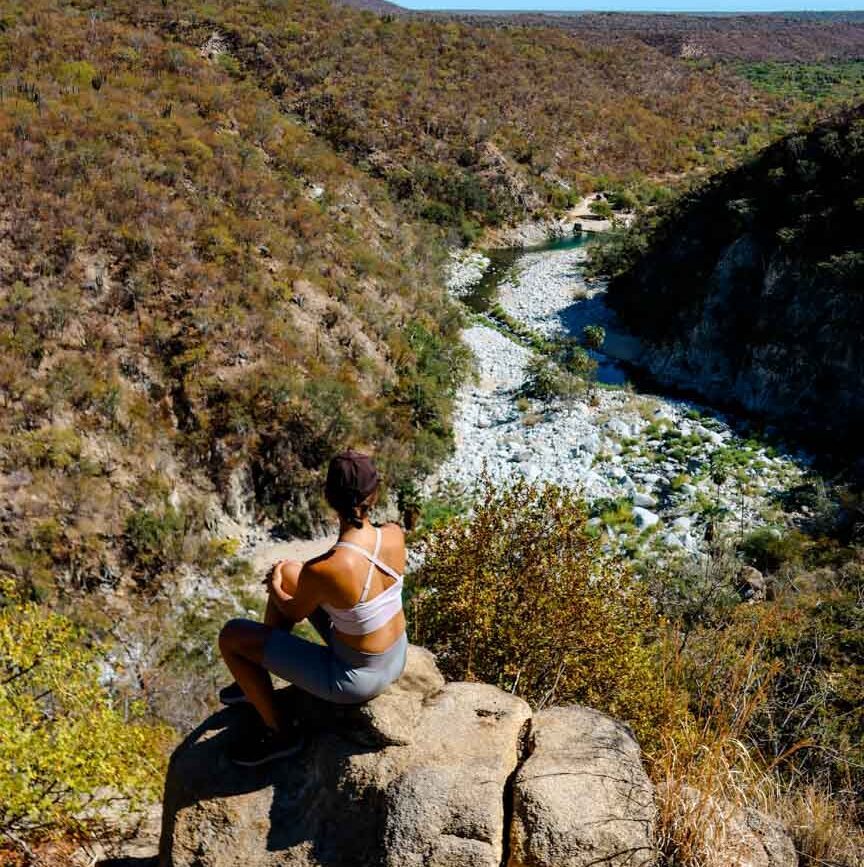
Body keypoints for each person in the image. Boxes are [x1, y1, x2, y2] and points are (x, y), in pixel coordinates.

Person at [217, 449, 407, 766]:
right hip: (396, 655)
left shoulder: (328, 567)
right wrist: (287, 575)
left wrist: (276, 583)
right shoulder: (394, 534)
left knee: (231, 635)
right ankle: (252, 681)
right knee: (294, 570)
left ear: (328, 497)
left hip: (355, 677)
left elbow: (291, 611)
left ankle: (281, 733)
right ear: (375, 493)